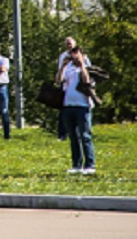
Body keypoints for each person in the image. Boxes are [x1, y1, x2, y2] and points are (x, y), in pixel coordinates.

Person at [57, 47, 96, 176]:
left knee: (85, 135)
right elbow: (58, 81)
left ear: (83, 55)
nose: (74, 58)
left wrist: (82, 65)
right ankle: (76, 164)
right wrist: (63, 67)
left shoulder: (89, 68)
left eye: (77, 55)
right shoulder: (69, 68)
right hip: (68, 105)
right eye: (72, 55)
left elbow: (86, 81)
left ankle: (90, 164)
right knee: (73, 137)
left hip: (83, 105)